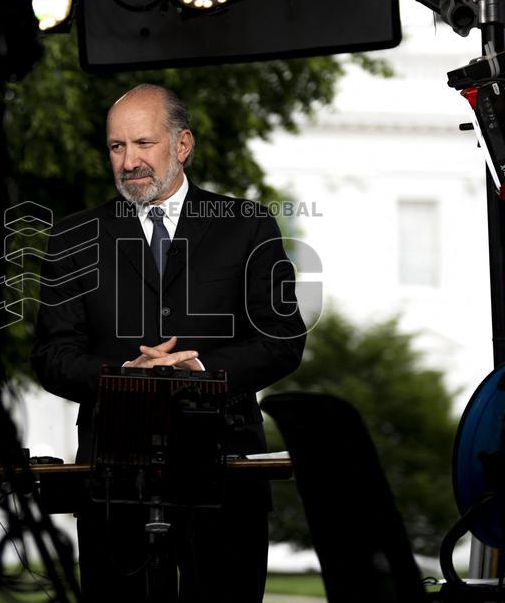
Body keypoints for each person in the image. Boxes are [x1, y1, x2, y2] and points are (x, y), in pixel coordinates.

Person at [30, 83, 306, 602]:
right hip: (115, 481)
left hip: (226, 476)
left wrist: (200, 371)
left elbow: (281, 339)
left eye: (143, 144)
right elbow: (50, 355)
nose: (128, 161)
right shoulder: (72, 237)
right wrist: (125, 377)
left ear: (182, 145)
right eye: (117, 147)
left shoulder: (246, 226)